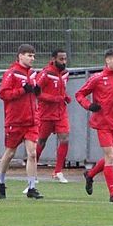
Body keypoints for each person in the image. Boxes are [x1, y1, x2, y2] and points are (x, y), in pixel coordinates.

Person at [76, 47, 113, 203]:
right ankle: (112, 193)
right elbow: (80, 94)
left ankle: (90, 175)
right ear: (107, 60)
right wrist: (89, 105)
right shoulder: (97, 78)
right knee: (109, 157)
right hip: (103, 123)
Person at [0, 44, 42, 199]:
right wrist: (22, 90)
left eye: (33, 56)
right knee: (10, 153)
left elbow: (34, 93)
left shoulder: (33, 74)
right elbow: (4, 94)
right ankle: (1, 180)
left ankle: (31, 187)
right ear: (20, 56)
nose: (32, 59)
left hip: (31, 120)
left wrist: (37, 92)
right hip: (15, 120)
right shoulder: (11, 73)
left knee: (32, 153)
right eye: (29, 55)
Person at [35, 49, 72, 183]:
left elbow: (60, 89)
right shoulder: (45, 74)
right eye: (61, 59)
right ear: (53, 59)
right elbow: (36, 92)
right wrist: (53, 98)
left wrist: (65, 96)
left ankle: (58, 171)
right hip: (46, 113)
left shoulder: (65, 73)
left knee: (65, 139)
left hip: (61, 112)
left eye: (65, 59)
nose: (64, 62)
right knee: (41, 141)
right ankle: (32, 170)